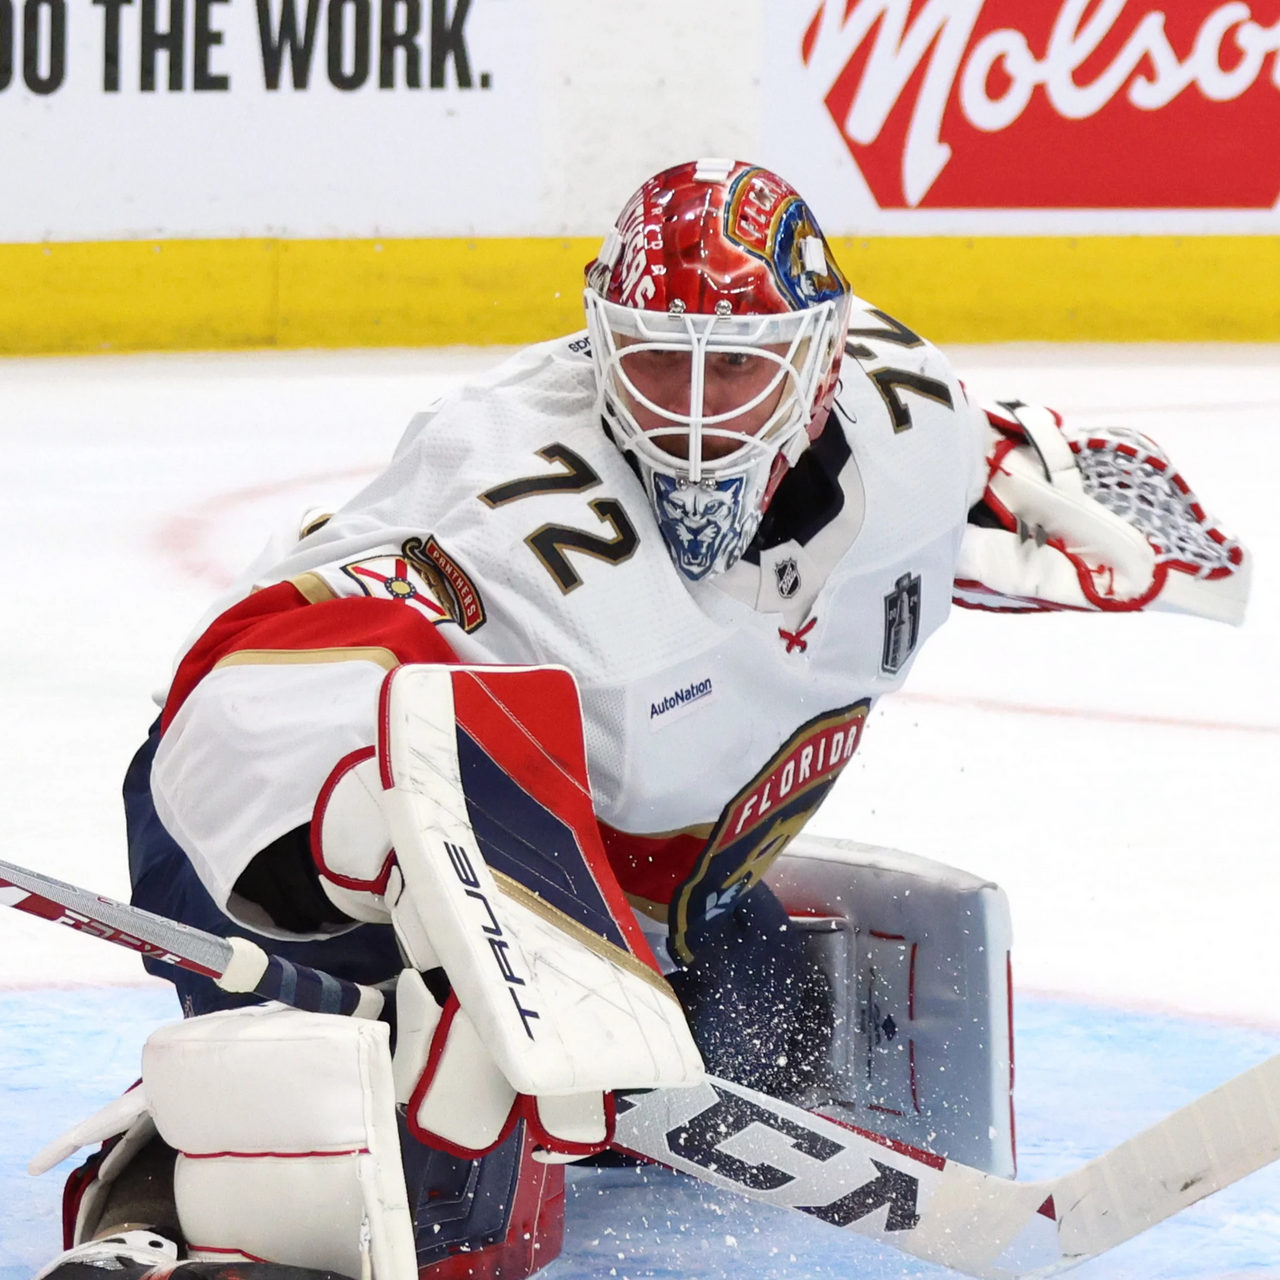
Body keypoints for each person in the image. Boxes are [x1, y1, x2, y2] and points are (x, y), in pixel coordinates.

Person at [43, 159, 1249, 1280]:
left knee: (758, 1041)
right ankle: (152, 1206)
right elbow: (241, 685)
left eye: (732, 367)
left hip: (636, 878)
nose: (689, 412)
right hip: (286, 833)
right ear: (598, 344)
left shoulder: (909, 412)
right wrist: (410, 868)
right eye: (654, 361)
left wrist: (1013, 524)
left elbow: (949, 474)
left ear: (819, 364)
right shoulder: (512, 508)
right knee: (445, 1171)